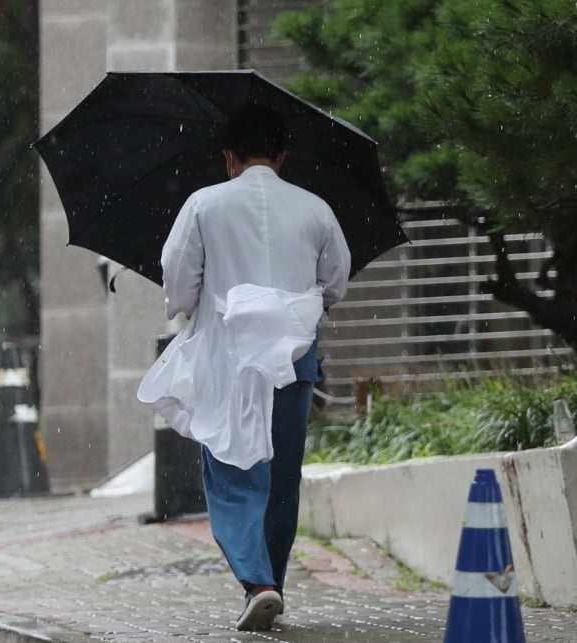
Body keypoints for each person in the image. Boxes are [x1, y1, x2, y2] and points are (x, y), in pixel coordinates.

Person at [137, 105, 351, 631]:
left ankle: (258, 582)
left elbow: (178, 277)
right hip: (293, 365)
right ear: (281, 156)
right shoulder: (316, 209)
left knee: (233, 472)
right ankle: (271, 579)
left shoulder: (204, 204)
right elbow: (336, 282)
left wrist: (198, 299)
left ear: (229, 157)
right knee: (281, 478)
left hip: (228, 363)